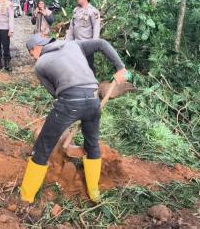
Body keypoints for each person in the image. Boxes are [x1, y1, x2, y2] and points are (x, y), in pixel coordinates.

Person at [19, 34, 128, 204]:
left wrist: (71, 108)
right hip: (93, 100)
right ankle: (94, 193)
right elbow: (101, 43)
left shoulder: (40, 65)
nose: (32, 57)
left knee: (43, 146)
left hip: (69, 101)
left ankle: (26, 197)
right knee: (92, 144)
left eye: (30, 53)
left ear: (36, 48)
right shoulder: (73, 45)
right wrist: (120, 67)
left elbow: (55, 93)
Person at [65, 0, 101, 72]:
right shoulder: (76, 10)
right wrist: (67, 42)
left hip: (87, 44)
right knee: (76, 65)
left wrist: (94, 44)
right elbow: (71, 28)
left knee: (89, 66)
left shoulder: (93, 11)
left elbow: (96, 28)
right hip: (76, 44)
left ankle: (93, 83)